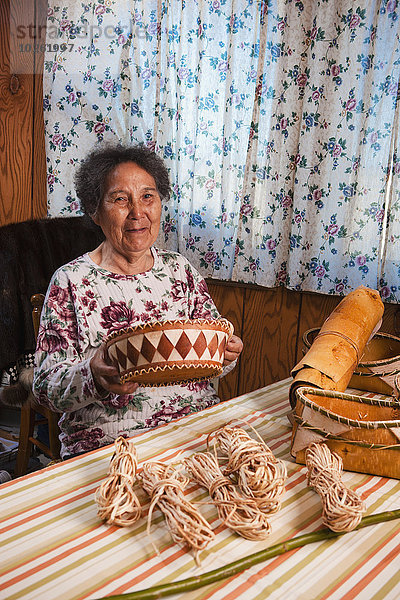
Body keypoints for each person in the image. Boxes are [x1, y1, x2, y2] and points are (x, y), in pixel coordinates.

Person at [33, 144, 243, 458]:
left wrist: (225, 355)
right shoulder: (71, 282)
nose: (137, 213)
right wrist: (93, 375)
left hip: (197, 432)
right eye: (120, 199)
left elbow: (209, 361)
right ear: (95, 210)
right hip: (112, 446)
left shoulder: (180, 270)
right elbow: (45, 387)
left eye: (148, 197)